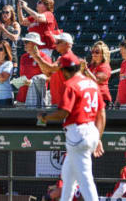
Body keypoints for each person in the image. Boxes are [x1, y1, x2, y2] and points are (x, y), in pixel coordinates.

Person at [36, 56, 106, 201]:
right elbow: (102, 114)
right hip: (92, 130)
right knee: (68, 177)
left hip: (78, 133)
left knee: (86, 180)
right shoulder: (92, 84)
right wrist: (98, 138)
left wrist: (45, 117)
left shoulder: (71, 84)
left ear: (64, 71)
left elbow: (63, 113)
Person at [86, 41, 112, 106]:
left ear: (103, 54)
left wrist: (86, 70)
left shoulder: (105, 67)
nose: (94, 54)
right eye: (93, 52)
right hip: (92, 98)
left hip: (102, 99)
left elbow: (96, 80)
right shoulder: (91, 66)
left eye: (97, 52)